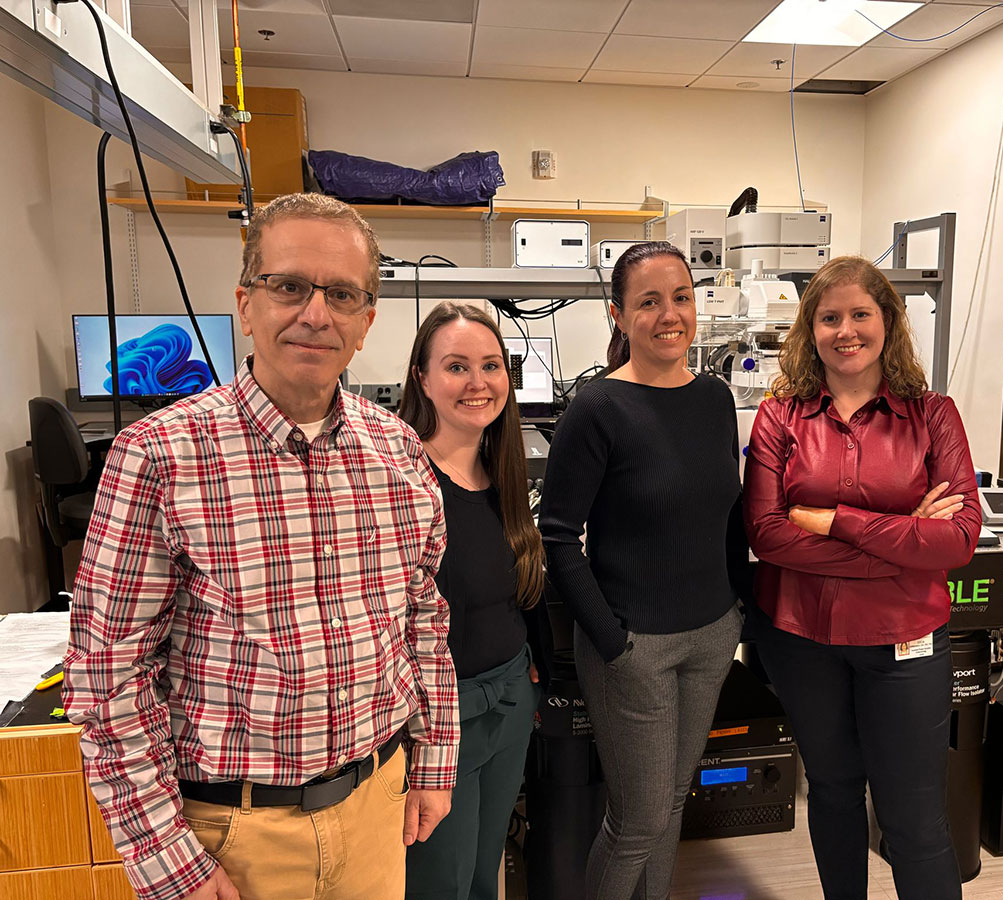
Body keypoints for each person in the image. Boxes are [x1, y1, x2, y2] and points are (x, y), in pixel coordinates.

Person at [63, 193, 459, 900]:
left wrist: (434, 761)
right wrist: (169, 859)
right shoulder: (159, 456)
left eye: (341, 294)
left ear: (366, 323)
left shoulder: (397, 449)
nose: (316, 313)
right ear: (247, 304)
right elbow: (106, 677)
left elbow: (423, 620)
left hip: (376, 809)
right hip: (232, 836)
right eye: (289, 287)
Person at [742, 255, 981, 900]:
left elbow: (957, 538)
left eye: (860, 315)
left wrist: (832, 521)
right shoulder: (779, 417)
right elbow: (765, 533)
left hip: (905, 644)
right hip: (802, 638)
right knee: (834, 792)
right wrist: (904, 542)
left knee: (914, 818)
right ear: (809, 329)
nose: (845, 330)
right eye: (829, 317)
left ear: (888, 322)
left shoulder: (934, 416)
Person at [539, 241, 747, 900]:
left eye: (680, 297)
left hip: (711, 635)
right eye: (649, 301)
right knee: (636, 823)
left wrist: (737, 610)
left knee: (671, 811)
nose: (669, 314)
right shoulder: (598, 408)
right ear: (619, 316)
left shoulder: (714, 399)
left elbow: (728, 515)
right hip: (634, 647)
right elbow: (558, 535)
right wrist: (612, 642)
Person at [398, 302, 551, 900]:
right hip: (439, 717)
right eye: (457, 366)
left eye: (491, 366)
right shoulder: (402, 477)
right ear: (423, 379)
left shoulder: (501, 470)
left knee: (487, 872)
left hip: (510, 698)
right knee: (441, 883)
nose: (477, 383)